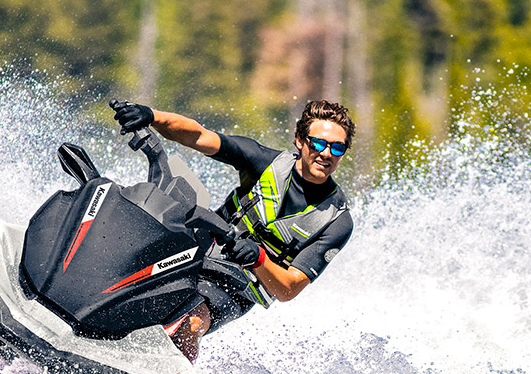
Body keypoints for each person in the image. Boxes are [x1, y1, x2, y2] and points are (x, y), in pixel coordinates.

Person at [108, 98, 355, 344]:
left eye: (337, 148)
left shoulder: (336, 221)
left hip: (235, 287)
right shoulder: (263, 161)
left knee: (190, 322)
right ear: (300, 141)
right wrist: (151, 116)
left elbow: (288, 289)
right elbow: (198, 136)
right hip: (196, 247)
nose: (326, 154)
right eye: (319, 143)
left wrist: (259, 259)